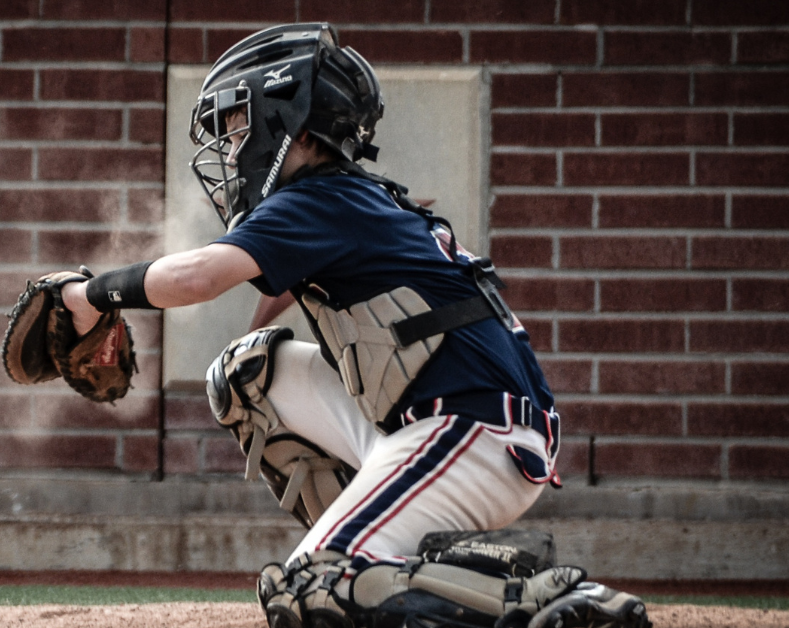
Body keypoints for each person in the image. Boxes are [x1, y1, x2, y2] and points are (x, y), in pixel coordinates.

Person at [56, 23, 650, 628]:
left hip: (470, 434)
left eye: (239, 124)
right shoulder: (347, 197)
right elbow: (282, 283)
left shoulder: (320, 200)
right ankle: (378, 552)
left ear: (288, 120)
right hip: (451, 423)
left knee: (310, 591)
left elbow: (199, 278)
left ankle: (547, 601)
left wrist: (92, 295)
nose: (232, 146)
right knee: (244, 375)